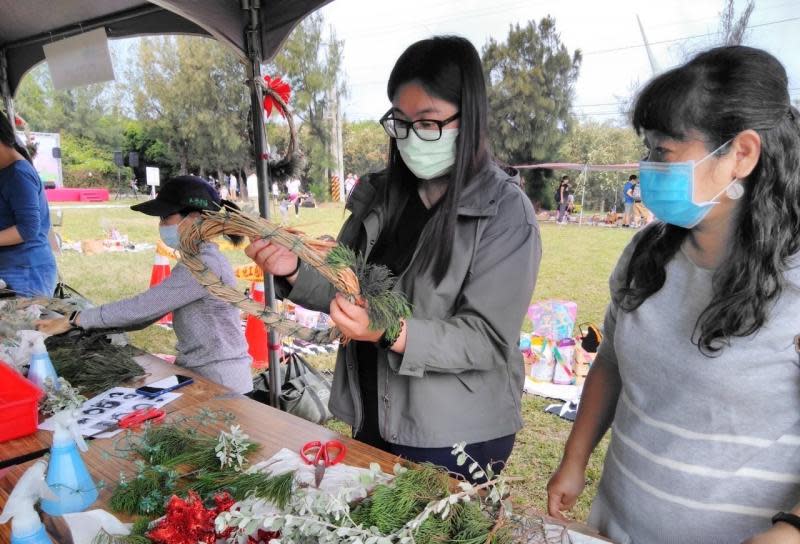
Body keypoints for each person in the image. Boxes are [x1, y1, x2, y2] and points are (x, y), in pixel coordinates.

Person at [546, 46, 800, 544]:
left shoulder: (796, 283)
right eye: (648, 150)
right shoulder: (646, 254)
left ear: (742, 154)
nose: (648, 168)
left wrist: (796, 535)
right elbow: (611, 361)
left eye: (664, 151)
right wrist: (575, 458)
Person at [246, 36, 540, 479]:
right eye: (400, 122)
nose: (412, 137)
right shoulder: (380, 194)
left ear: (471, 118)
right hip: (372, 411)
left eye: (429, 122)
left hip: (452, 435)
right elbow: (344, 281)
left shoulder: (504, 212)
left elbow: (485, 339)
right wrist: (293, 269)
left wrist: (389, 331)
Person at [37, 176, 253, 394]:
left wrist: (75, 320)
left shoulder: (204, 266)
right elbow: (145, 315)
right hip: (205, 374)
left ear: (196, 218)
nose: (161, 225)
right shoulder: (199, 259)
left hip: (222, 382)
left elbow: (143, 308)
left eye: (165, 217)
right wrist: (88, 325)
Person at [0, 113, 57, 297]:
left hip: (27, 272)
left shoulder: (18, 174)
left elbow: (28, 228)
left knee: (23, 325)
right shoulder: (6, 171)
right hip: (14, 268)